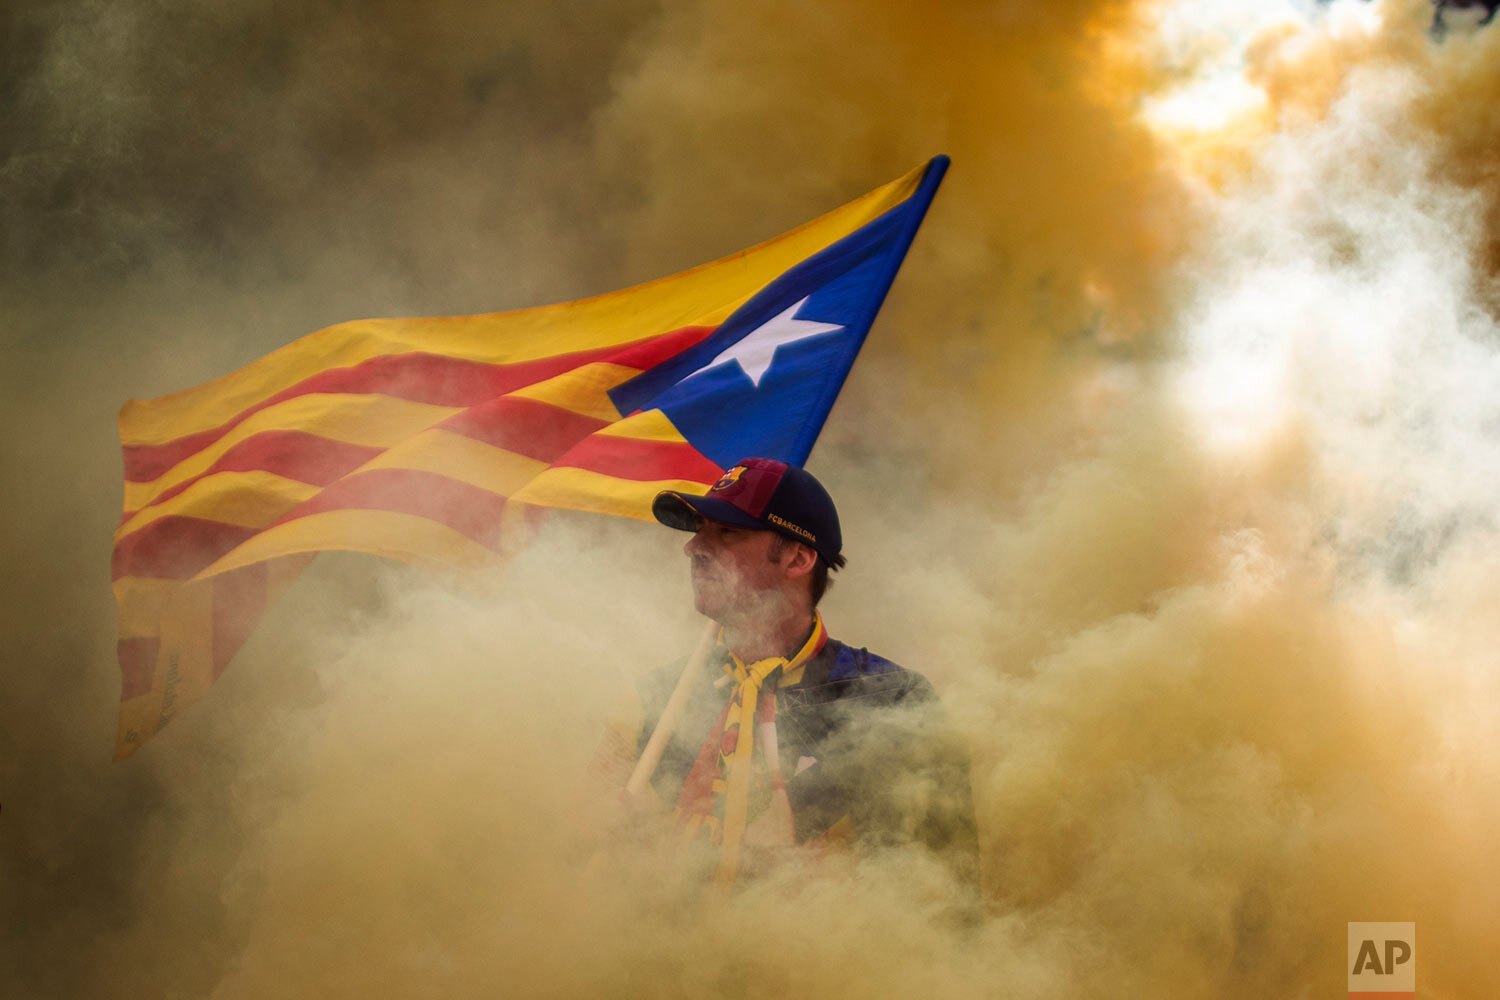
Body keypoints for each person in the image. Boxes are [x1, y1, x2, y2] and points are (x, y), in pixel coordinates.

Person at [594, 457, 979, 902]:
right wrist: (605, 841)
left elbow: (948, 899)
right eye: (699, 530)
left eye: (727, 532)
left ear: (798, 557)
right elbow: (573, 869)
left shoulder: (891, 702)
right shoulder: (653, 700)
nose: (694, 548)